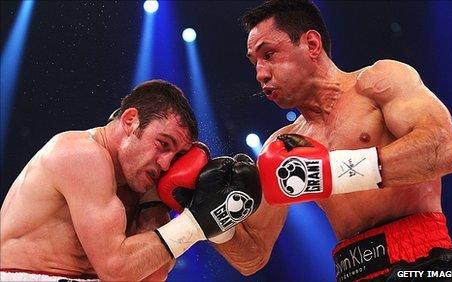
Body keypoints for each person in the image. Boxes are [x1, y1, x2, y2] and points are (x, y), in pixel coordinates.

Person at [210, 1, 452, 281]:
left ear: (311, 44)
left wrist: (330, 171)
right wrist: (213, 221)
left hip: (423, 262)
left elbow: (444, 148)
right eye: (255, 63)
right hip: (351, 273)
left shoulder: (380, 82)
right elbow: (253, 257)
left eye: (269, 54)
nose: (261, 74)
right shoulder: (281, 146)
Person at [0, 79, 262, 281]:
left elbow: (151, 275)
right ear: (130, 121)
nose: (166, 163)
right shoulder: (80, 154)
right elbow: (116, 268)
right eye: (163, 143)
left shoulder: (138, 180)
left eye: (177, 155)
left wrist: (156, 201)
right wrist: (195, 223)